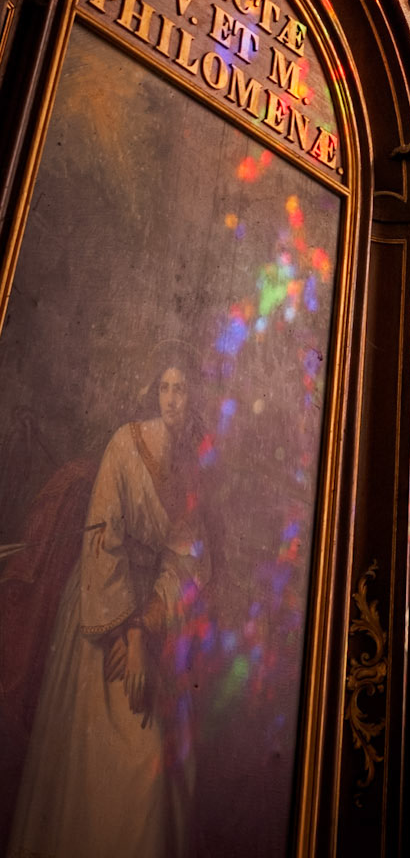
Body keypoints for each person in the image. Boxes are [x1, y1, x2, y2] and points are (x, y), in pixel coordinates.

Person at [5, 360, 211, 858]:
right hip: (102, 607)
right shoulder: (126, 443)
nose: (171, 399)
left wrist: (146, 627)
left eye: (181, 389)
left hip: (147, 614)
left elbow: (186, 560)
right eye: (164, 388)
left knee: (164, 762)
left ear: (194, 398)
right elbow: (104, 541)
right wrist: (124, 633)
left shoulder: (190, 467)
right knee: (118, 763)